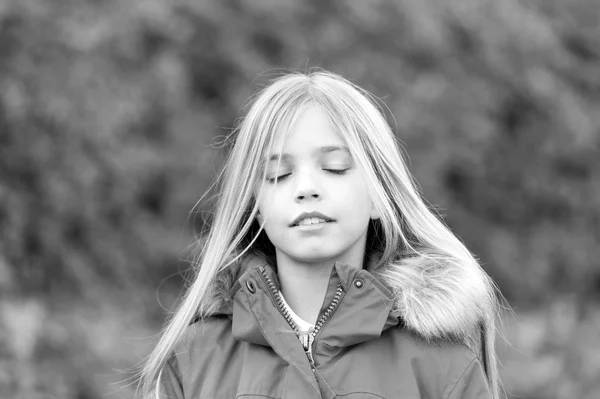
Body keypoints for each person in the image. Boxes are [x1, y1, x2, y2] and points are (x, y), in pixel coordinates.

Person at [135, 70, 504, 398]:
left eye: (335, 167)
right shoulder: (194, 360)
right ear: (256, 208)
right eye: (278, 174)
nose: (306, 188)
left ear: (379, 195)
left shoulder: (441, 362)